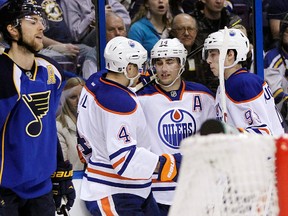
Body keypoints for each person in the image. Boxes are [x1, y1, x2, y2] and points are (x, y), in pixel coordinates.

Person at [76, 36, 181, 215]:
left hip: (135, 189)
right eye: (138, 67)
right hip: (114, 192)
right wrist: (167, 163)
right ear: (128, 68)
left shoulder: (95, 81)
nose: (142, 71)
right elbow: (124, 160)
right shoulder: (119, 102)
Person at [0, 0, 75, 215]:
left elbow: (47, 126)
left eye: (41, 21)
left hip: (40, 191)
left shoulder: (51, 71)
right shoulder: (3, 76)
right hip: (5, 193)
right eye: (32, 21)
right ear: (12, 30)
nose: (41, 27)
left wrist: (61, 172)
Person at [137, 38, 215, 215]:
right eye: (159, 63)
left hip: (195, 190)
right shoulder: (139, 98)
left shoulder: (202, 95)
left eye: (170, 62)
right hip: (155, 193)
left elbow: (213, 141)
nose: (164, 69)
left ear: (181, 63)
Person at [203, 28, 284, 136]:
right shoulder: (230, 82)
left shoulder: (243, 82)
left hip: (264, 151)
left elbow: (263, 133)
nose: (208, 60)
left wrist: (228, 134)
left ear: (230, 55)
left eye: (213, 54)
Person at [188, 0, 242, 93]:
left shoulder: (232, 20)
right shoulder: (191, 21)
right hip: (198, 79)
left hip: (226, 79)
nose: (219, 1)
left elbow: (244, 41)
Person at [36, 0, 93, 74]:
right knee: (52, 57)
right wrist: (59, 46)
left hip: (70, 44)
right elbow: (33, 34)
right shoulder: (31, 3)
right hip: (47, 47)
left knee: (93, 53)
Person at [82, 11, 127, 79]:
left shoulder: (134, 51)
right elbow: (92, 87)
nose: (117, 33)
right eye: (111, 30)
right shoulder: (93, 58)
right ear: (102, 32)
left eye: (120, 29)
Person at [264, 13, 288, 131]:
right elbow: (277, 95)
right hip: (278, 118)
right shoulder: (272, 57)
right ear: (282, 33)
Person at [57, 77, 85, 171]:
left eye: (82, 96)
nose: (79, 100)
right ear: (65, 100)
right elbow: (63, 166)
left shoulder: (95, 123)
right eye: (73, 97)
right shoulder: (58, 127)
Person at [169, 13, 202, 82]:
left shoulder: (203, 50)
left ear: (196, 31)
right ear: (172, 32)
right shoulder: (165, 53)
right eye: (181, 29)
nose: (186, 33)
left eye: (190, 29)